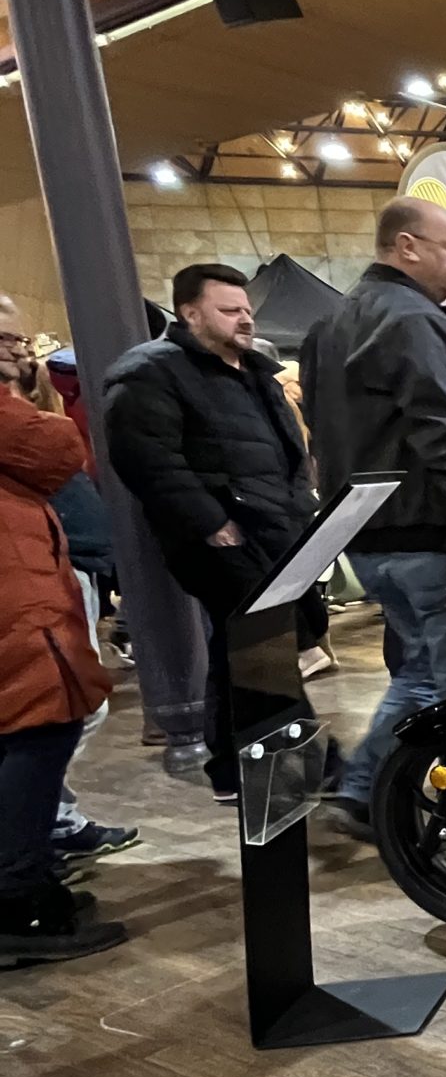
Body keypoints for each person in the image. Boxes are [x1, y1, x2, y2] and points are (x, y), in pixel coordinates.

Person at [300, 196, 446, 830]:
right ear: (407, 246)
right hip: (428, 534)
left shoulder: (331, 323)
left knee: (419, 675)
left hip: (369, 535)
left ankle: (362, 794)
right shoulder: (413, 319)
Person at [104, 263, 317, 802]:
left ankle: (237, 767)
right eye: (229, 310)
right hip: (221, 538)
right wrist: (211, 523)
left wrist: (299, 507)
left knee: (244, 645)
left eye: (246, 309)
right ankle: (293, 763)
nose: (245, 318)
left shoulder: (256, 371)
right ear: (190, 313)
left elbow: (289, 451)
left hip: (274, 529)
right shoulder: (152, 371)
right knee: (260, 644)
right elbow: (149, 461)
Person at [0, 308, 128, 966]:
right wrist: (24, 392)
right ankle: (17, 901)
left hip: (20, 581)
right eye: (5, 338)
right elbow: (57, 448)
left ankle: (25, 881)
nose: (19, 350)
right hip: (13, 596)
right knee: (38, 729)